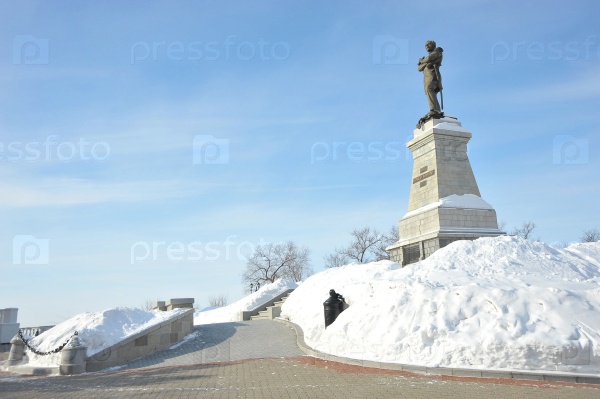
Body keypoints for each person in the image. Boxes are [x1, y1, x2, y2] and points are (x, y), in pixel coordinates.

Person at [418, 40, 444, 117]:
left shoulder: (437, 51)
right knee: (430, 93)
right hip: (427, 78)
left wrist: (423, 61)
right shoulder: (428, 57)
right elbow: (419, 68)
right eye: (426, 45)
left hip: (434, 77)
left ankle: (433, 109)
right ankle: (437, 110)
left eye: (429, 45)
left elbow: (430, 57)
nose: (427, 46)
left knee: (430, 89)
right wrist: (425, 63)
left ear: (433, 46)